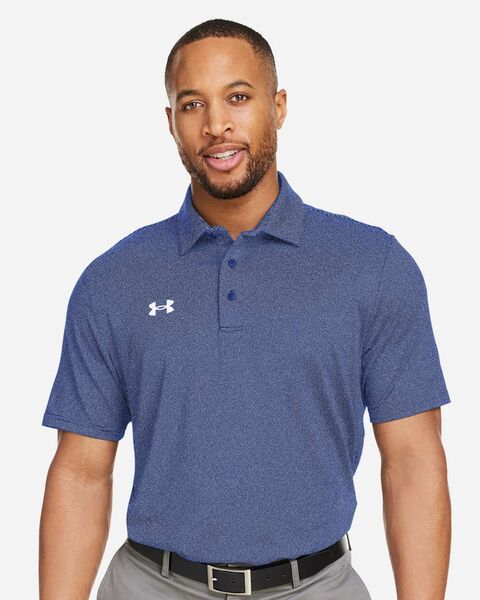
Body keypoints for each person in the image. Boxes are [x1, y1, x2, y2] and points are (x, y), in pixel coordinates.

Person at [39, 18, 452, 600]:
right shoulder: (113, 281)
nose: (216, 124)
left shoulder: (373, 265)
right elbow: (81, 472)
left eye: (238, 97)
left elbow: (412, 461)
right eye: (192, 105)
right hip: (149, 585)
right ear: (171, 123)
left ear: (278, 107)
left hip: (318, 587)